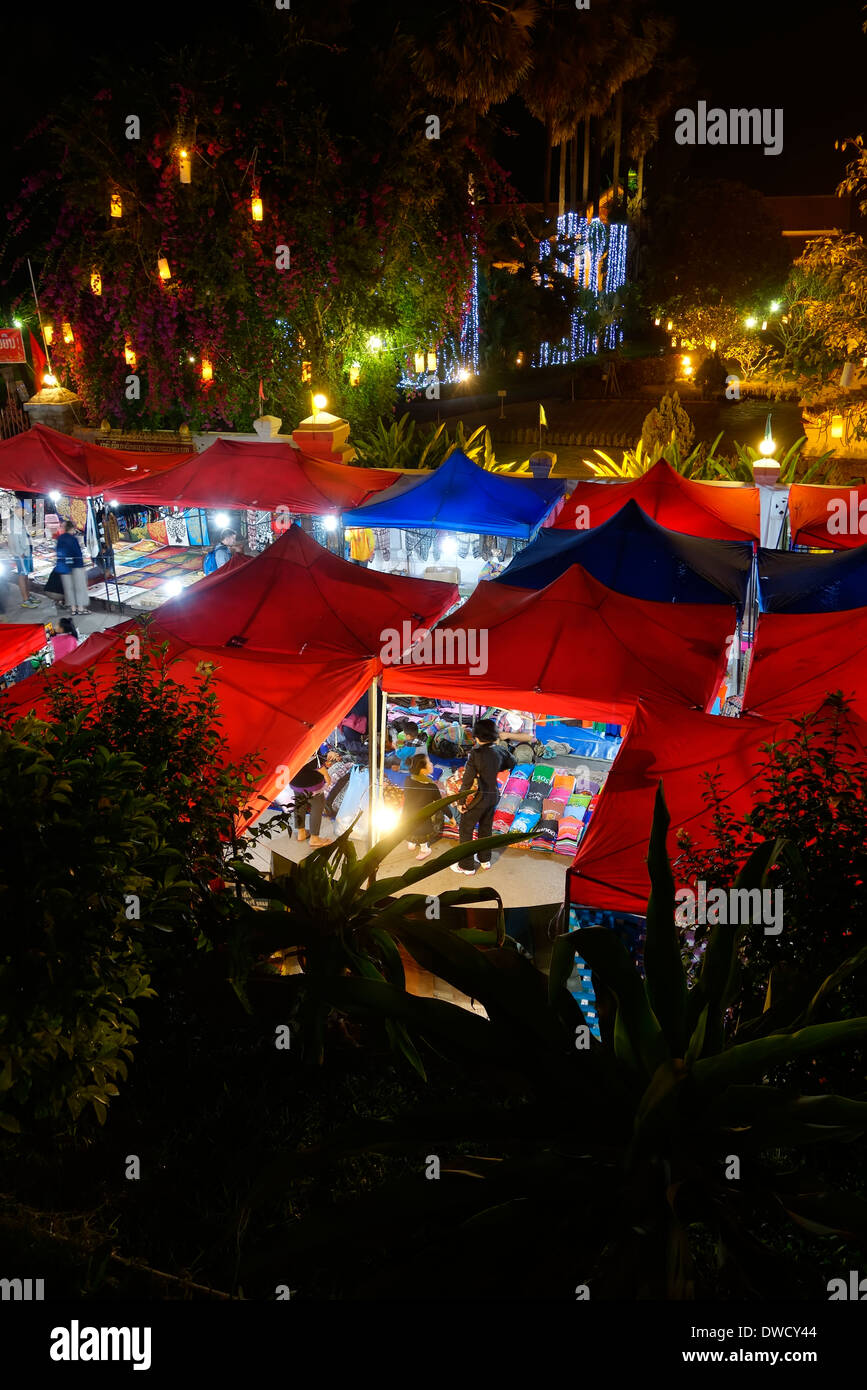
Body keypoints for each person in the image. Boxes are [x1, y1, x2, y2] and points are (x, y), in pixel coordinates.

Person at [452, 717, 516, 875]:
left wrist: (461, 801)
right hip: (493, 795)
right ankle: (485, 859)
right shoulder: (500, 750)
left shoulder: (476, 753)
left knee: (466, 828)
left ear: (477, 737)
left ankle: (466, 866)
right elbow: (513, 762)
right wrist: (495, 768)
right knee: (486, 827)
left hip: (478, 797)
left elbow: (467, 780)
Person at [402, 752, 445, 861]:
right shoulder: (431, 786)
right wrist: (452, 817)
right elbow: (441, 804)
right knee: (434, 815)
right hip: (422, 822)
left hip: (406, 819)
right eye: (429, 763)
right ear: (422, 770)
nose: (431, 764)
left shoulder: (408, 780)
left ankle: (411, 843)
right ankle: (424, 849)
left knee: (410, 823)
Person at [290, 754, 333, 848]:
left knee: (300, 804)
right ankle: (314, 838)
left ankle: (301, 832)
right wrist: (326, 775)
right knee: (317, 806)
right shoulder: (307, 740)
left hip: (295, 780)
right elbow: (313, 761)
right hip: (311, 782)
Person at [7, 505, 40, 609]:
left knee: (26, 574)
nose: (25, 512)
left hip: (26, 551)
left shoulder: (19, 520)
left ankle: (28, 596)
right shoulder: (12, 521)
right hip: (21, 553)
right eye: (23, 510)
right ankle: (25, 599)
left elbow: (24, 535)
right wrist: (20, 552)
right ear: (17, 509)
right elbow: (14, 539)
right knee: (22, 574)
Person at [55, 521, 90, 615]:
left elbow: (58, 551)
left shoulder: (60, 538)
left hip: (64, 567)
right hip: (76, 566)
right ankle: (81, 608)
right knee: (79, 587)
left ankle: (73, 609)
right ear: (72, 528)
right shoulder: (72, 539)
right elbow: (76, 553)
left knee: (69, 589)